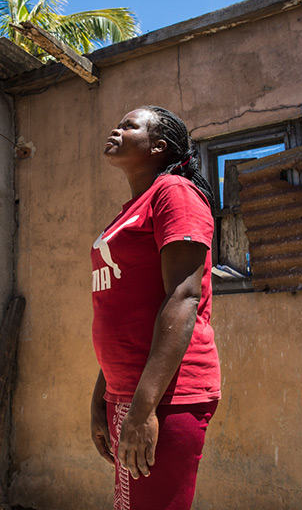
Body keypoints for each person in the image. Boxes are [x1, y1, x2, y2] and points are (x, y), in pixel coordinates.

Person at [90, 106, 221, 510]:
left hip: (166, 395)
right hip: (126, 391)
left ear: (158, 146)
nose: (117, 128)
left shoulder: (175, 193)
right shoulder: (132, 208)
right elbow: (126, 308)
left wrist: (144, 409)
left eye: (130, 125)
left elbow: (183, 297)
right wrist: (102, 394)